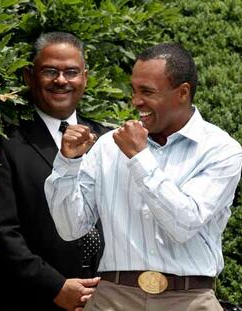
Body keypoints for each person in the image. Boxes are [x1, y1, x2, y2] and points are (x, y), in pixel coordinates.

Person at [45, 42, 242, 311]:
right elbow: (70, 229)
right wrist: (68, 164)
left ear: (182, 93)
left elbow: (184, 223)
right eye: (134, 90)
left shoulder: (222, 150)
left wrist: (139, 159)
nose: (136, 101)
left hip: (191, 301)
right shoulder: (107, 146)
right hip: (112, 298)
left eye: (147, 92)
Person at [0, 32, 109, 311]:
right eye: (50, 71)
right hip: (34, 300)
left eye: (71, 72)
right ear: (29, 76)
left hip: (108, 297)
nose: (61, 80)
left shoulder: (108, 140)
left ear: (85, 78)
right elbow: (1, 232)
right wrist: (55, 287)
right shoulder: (3, 144)